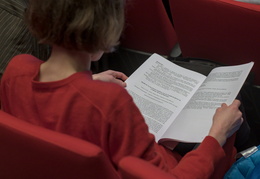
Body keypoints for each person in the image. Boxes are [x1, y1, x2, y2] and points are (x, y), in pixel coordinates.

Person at [0, 0, 244, 178]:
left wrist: (90, 81)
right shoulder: (110, 102)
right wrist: (216, 136)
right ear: (108, 27)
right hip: (178, 169)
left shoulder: (16, 71)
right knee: (231, 124)